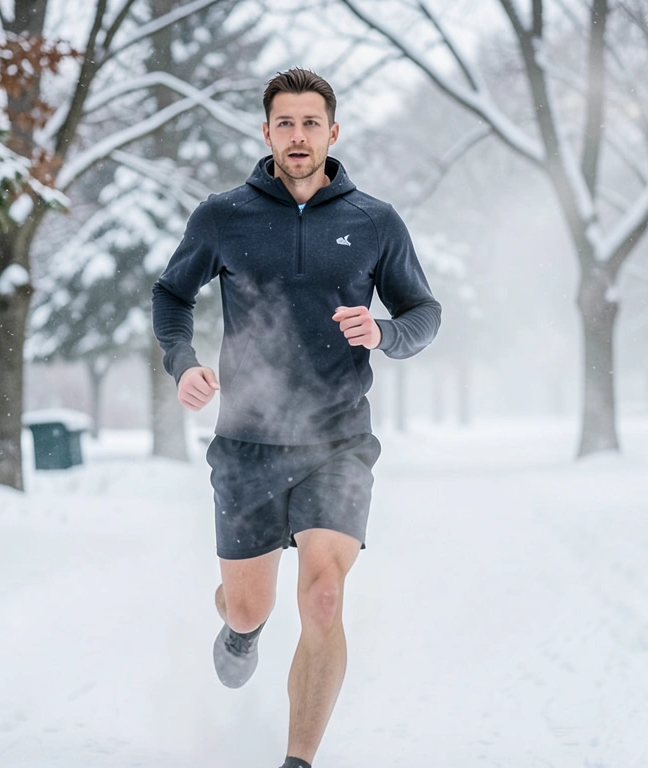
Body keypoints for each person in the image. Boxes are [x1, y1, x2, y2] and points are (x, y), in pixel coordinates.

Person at [151, 67, 441, 768]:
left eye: (312, 123)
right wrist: (184, 363)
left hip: (337, 440)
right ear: (267, 132)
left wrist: (381, 333)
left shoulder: (374, 220)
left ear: (333, 132)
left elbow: (423, 314)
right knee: (250, 607)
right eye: (286, 123)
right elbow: (171, 295)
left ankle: (297, 761)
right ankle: (240, 631)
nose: (299, 135)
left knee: (323, 596)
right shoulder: (223, 215)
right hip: (247, 443)